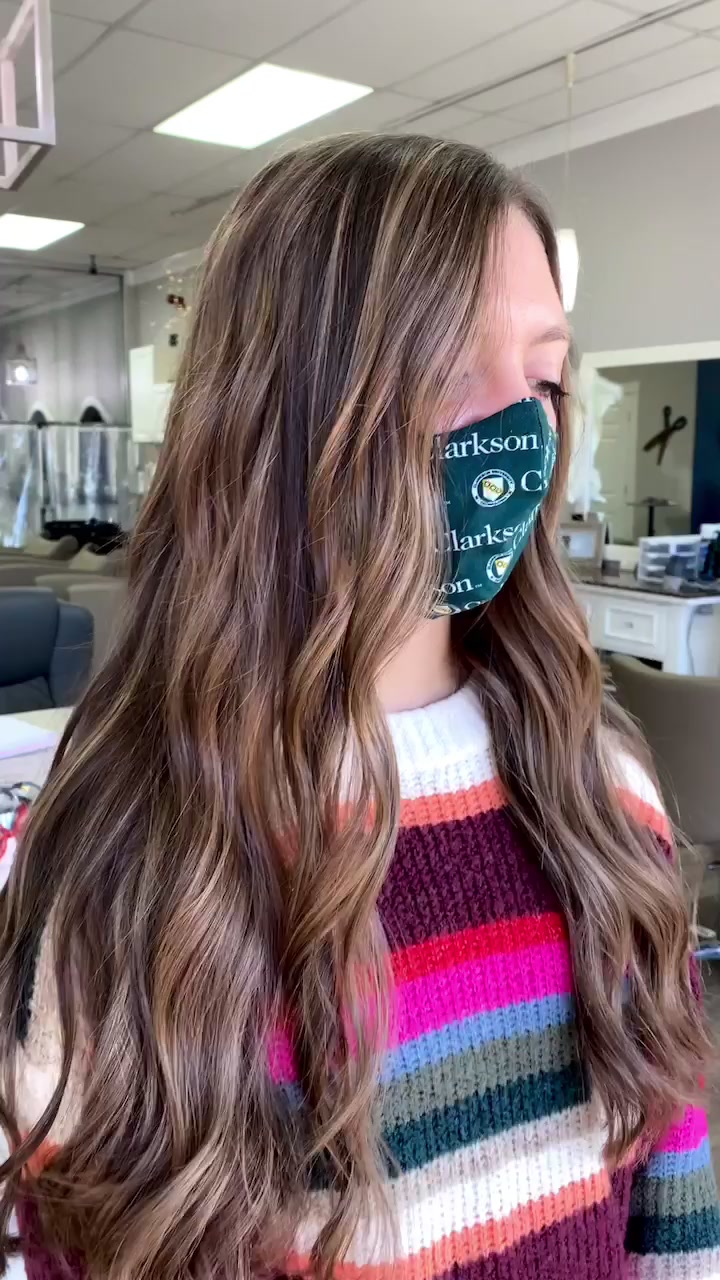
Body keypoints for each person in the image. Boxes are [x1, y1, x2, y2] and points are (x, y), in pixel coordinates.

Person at [0, 134, 717, 1280]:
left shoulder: (600, 788)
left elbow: (674, 1182)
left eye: (543, 380)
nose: (517, 433)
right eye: (442, 368)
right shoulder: (127, 856)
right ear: (282, 406)